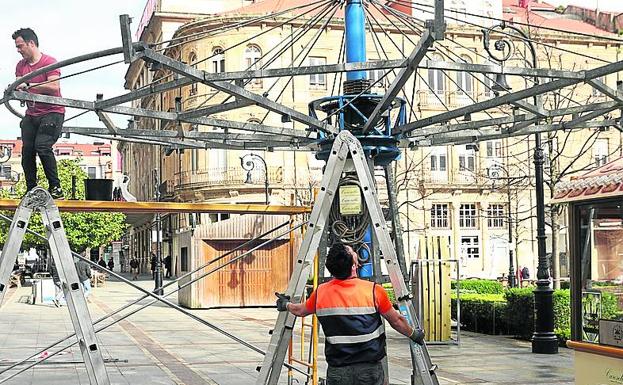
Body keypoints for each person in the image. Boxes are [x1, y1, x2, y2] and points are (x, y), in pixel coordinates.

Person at [277, 243, 424, 385]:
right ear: (354, 266)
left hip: (338, 371)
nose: (356, 254)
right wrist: (413, 334)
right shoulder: (373, 291)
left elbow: (300, 311)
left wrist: (286, 305)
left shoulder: (321, 292)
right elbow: (397, 321)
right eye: (354, 253)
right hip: (369, 370)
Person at [12, 28, 65, 199]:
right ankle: (31, 188)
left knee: (42, 146)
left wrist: (28, 86)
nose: (18, 50)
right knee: (27, 150)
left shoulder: (49, 62)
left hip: (52, 112)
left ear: (31, 43)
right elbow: (19, 86)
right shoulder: (21, 66)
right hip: (33, 114)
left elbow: (54, 87)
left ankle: (55, 187)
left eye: (20, 46)